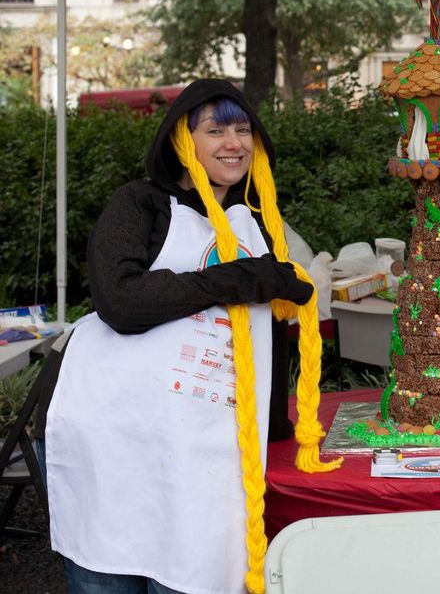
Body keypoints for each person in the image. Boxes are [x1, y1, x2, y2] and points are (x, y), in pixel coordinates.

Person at [37, 79, 315, 594]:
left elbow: (264, 335)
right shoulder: (139, 205)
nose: (234, 143)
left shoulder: (257, 222)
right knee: (112, 569)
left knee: (198, 573)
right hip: (114, 434)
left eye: (242, 128)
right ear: (182, 142)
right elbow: (120, 302)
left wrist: (274, 427)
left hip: (202, 444)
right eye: (215, 130)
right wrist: (231, 280)